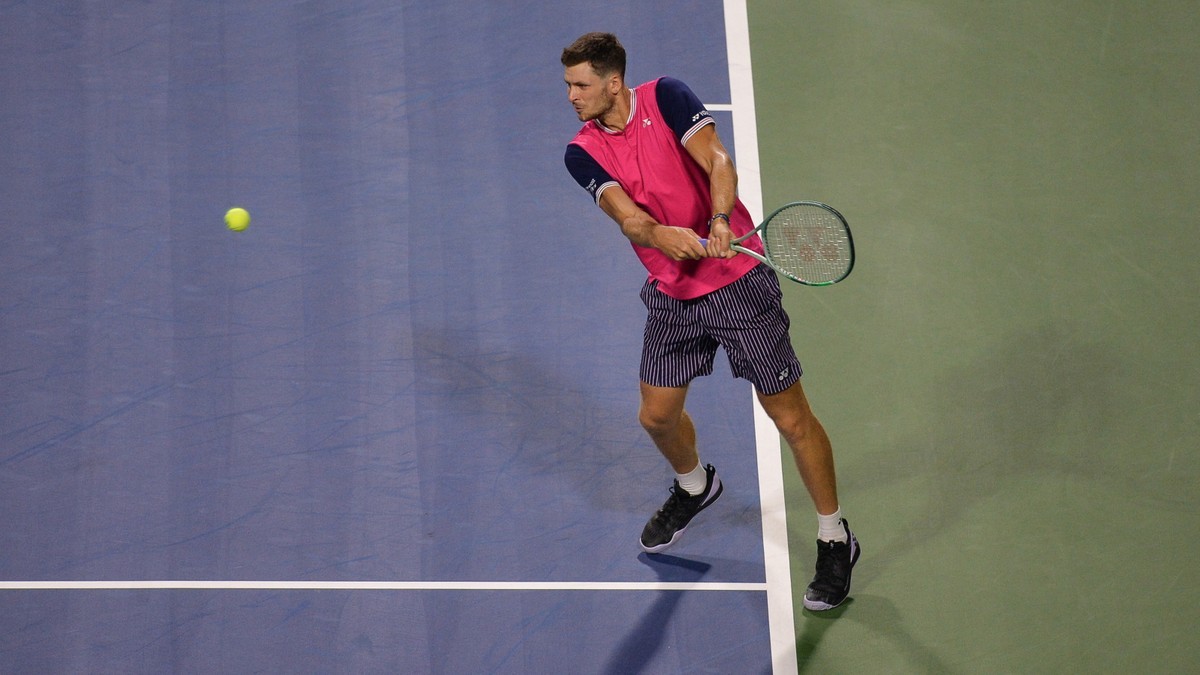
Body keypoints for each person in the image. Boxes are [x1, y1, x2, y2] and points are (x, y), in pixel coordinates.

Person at [560, 32, 860, 611]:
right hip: (673, 296)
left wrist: (720, 218)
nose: (572, 96)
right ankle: (697, 485)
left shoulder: (667, 97)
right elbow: (628, 219)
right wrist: (659, 235)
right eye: (569, 85)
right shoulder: (581, 151)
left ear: (613, 82)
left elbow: (718, 159)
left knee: (791, 419)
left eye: (581, 85)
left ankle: (834, 537)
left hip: (740, 287)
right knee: (656, 416)